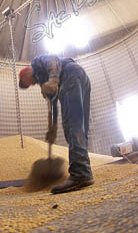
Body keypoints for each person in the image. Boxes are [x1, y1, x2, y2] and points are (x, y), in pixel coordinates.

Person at [19, 55, 94, 194]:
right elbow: (52, 106)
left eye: (26, 81)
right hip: (81, 78)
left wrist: (53, 79)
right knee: (79, 126)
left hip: (69, 76)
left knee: (72, 126)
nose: (31, 84)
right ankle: (84, 171)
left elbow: (53, 59)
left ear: (26, 72)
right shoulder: (44, 83)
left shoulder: (36, 63)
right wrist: (52, 128)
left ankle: (80, 174)